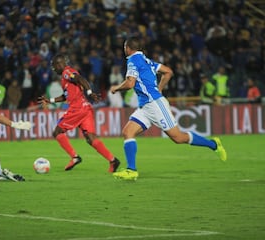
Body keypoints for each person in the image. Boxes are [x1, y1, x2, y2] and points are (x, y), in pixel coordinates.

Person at [110, 36, 227, 180]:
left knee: (178, 138)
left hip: (155, 104)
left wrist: (116, 88)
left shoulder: (133, 60)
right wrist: (159, 88)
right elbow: (168, 71)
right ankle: (131, 170)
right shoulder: (147, 61)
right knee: (128, 132)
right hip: (146, 106)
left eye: (124, 48)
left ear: (128, 48)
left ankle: (213, 144)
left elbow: (130, 84)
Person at [38, 53, 120, 173]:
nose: (54, 68)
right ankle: (113, 160)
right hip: (85, 108)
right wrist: (50, 100)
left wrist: (90, 92)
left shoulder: (67, 72)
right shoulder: (64, 78)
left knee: (57, 131)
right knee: (90, 138)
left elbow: (80, 79)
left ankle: (74, 157)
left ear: (60, 64)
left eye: (55, 65)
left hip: (77, 108)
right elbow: (66, 96)